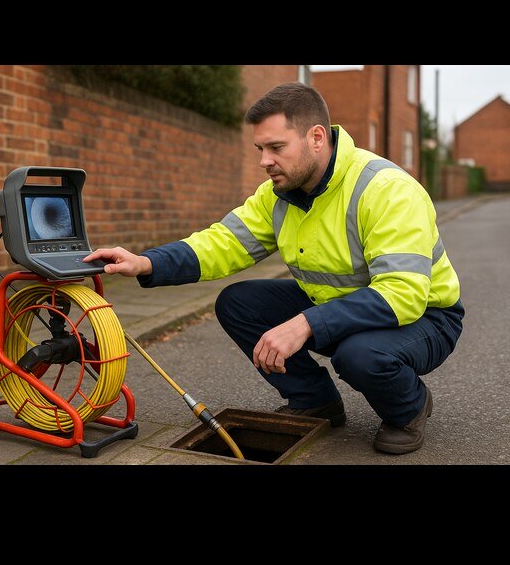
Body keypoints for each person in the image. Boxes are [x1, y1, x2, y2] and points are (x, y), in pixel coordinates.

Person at [84, 82, 464, 455]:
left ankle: (408, 409)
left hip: (423, 318)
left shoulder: (386, 189)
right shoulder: (278, 194)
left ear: (316, 137)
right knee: (239, 302)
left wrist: (305, 324)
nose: (264, 160)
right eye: (260, 148)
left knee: (359, 356)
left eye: (276, 147)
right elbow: (223, 243)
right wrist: (146, 262)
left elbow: (403, 294)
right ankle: (316, 401)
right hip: (335, 303)